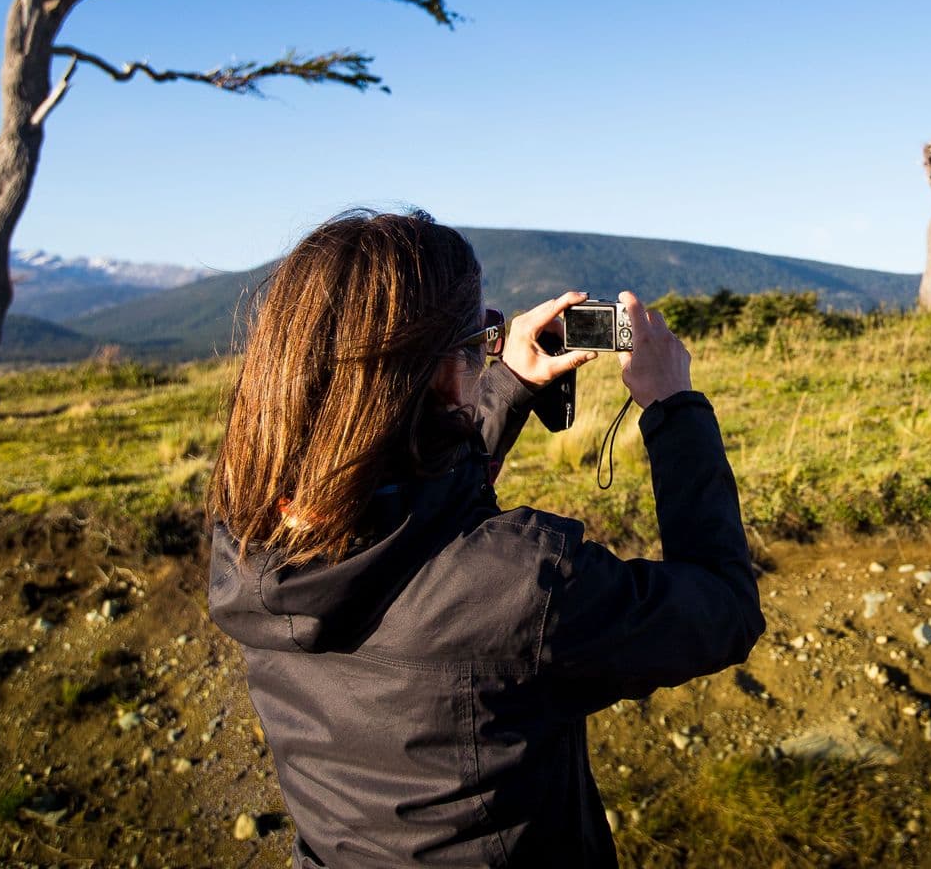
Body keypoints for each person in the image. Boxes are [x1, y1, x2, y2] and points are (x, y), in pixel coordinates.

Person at [207, 209, 763, 867]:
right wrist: (675, 406)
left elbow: (414, 503)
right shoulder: (519, 586)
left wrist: (509, 382)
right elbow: (725, 608)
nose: (492, 349)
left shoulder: (246, 534)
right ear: (444, 376)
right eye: (481, 339)